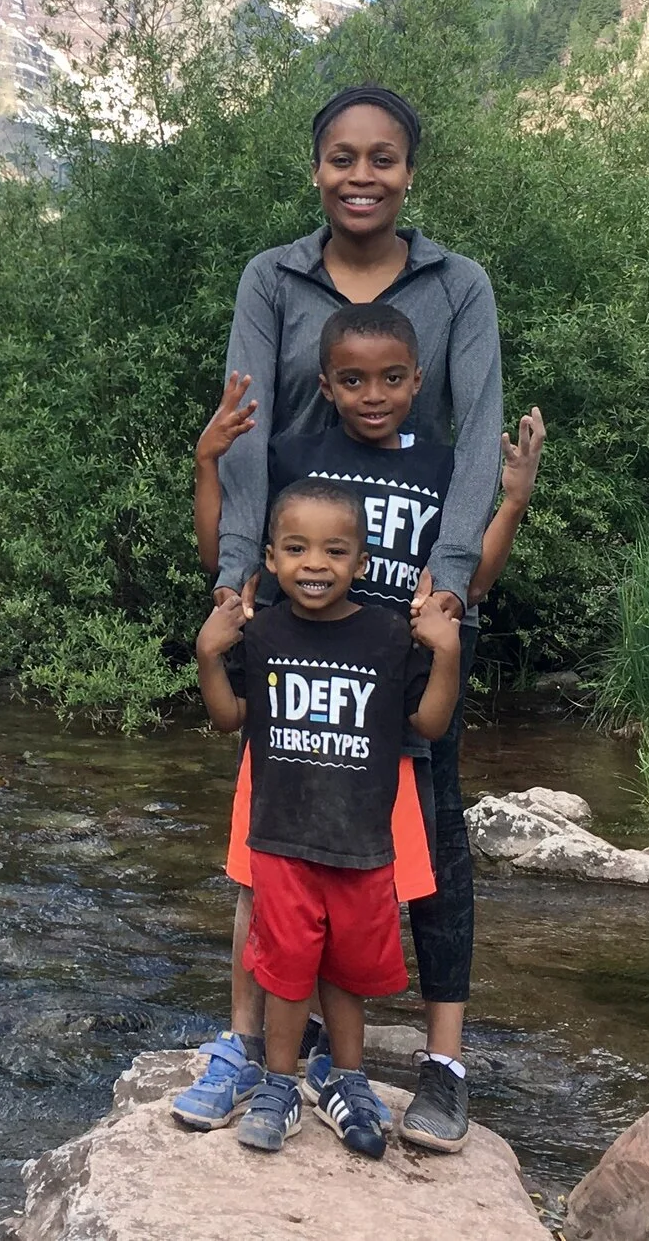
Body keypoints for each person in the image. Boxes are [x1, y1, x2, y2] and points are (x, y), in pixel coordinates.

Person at [192, 84, 510, 1146]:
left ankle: (442, 1062)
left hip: (408, 617)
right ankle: (272, 1055)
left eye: (382, 158)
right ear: (315, 167)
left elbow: (476, 442)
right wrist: (239, 577)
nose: (360, 176)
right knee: (276, 843)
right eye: (340, 157)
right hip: (299, 607)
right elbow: (243, 434)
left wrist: (451, 586)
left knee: (430, 844)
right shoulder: (269, 278)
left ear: (410, 171)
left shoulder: (456, 284)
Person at [183, 329, 543, 1151]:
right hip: (287, 746)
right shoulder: (290, 460)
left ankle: (345, 1074)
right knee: (264, 897)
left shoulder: (438, 472)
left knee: (360, 916)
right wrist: (209, 464)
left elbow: (467, 581)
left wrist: (512, 500)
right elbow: (230, 553)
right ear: (325, 382)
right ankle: (257, 1061)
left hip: (380, 736)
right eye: (352, 377)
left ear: (418, 381)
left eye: (390, 378)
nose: (372, 393)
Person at [193, 480, 463, 1159]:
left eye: (334, 549)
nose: (315, 563)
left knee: (344, 974)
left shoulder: (386, 634)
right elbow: (231, 719)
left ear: (362, 563)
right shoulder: (265, 632)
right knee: (286, 971)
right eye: (296, 548)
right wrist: (207, 655)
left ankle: (349, 1080)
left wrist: (447, 653)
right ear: (272, 560)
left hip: (364, 845)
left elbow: (427, 723)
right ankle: (279, 1086)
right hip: (281, 840)